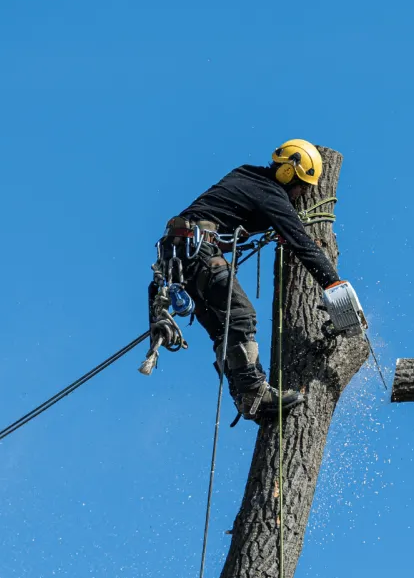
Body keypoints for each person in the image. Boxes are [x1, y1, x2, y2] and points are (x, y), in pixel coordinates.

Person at [147, 139, 355, 422]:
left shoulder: (246, 175)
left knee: (226, 330)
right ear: (287, 175)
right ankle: (254, 392)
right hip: (198, 251)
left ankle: (247, 400)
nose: (299, 195)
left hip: (179, 260)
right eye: (301, 188)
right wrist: (335, 286)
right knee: (241, 316)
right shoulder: (270, 193)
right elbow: (303, 245)